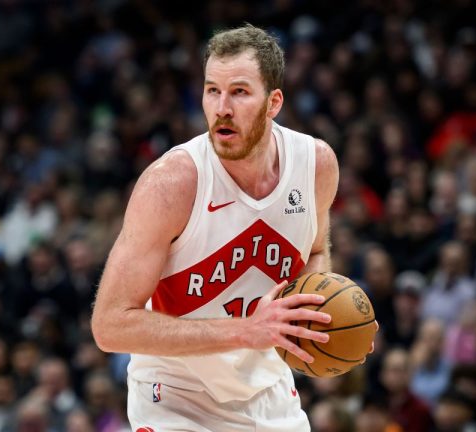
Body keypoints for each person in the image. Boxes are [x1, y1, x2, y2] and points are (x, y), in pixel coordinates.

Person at [92, 24, 344, 430]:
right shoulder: (171, 184)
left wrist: (316, 313)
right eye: (212, 90)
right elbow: (110, 325)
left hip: (267, 392)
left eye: (240, 92)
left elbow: (315, 253)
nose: (222, 107)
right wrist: (246, 330)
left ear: (273, 101)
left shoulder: (316, 166)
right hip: (175, 396)